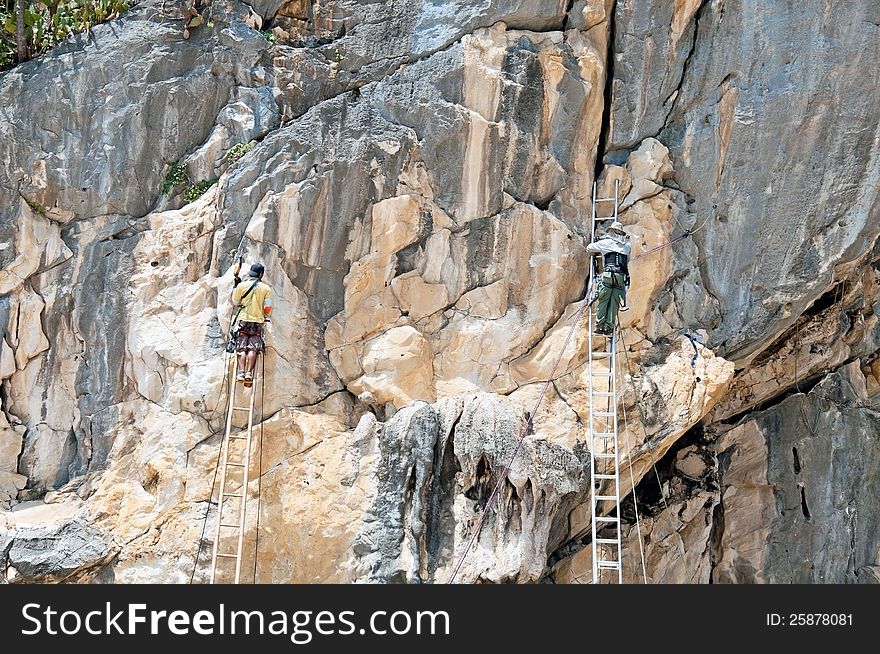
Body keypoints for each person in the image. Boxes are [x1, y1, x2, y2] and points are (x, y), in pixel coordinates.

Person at [586, 221, 631, 336]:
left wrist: (600, 242)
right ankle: (608, 328)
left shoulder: (605, 243)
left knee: (604, 299)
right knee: (614, 302)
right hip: (620, 276)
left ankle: (599, 326)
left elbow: (589, 248)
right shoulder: (627, 246)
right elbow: (627, 259)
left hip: (608, 275)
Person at [231, 262, 272, 386]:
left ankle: (241, 373)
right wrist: (264, 314)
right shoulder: (265, 288)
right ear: (261, 275)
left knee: (241, 347)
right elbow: (268, 308)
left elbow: (235, 302)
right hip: (257, 322)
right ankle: (249, 373)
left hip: (243, 321)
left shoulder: (241, 286)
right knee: (253, 348)